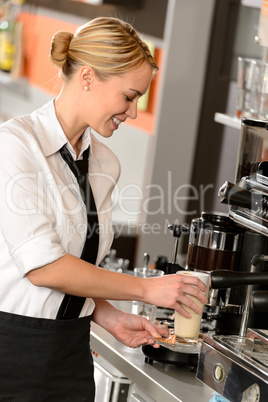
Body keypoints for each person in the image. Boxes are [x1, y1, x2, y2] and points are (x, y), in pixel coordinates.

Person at [0, 16, 208, 401]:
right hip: (11, 352)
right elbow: (44, 267)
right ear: (88, 77)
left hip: (70, 358)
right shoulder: (14, 146)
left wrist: (109, 316)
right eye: (129, 97)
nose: (132, 112)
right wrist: (147, 290)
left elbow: (79, 265)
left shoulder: (105, 163)